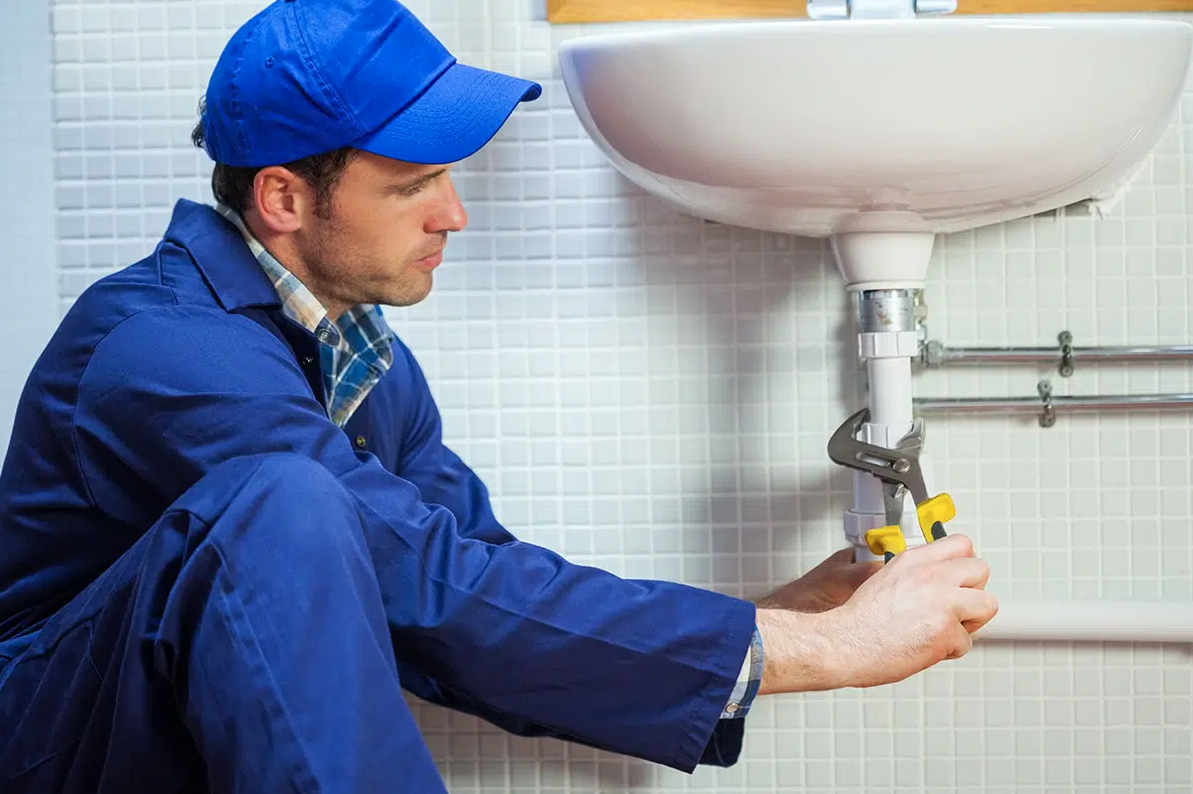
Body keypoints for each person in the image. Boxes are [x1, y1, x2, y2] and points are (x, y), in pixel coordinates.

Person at [0, 0, 998, 791]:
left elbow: (473, 593)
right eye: (412, 185)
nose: (454, 213)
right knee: (289, 502)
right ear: (284, 198)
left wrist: (763, 617)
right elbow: (427, 580)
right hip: (53, 742)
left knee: (319, 513)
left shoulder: (360, 356)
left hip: (166, 724)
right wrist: (823, 647)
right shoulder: (168, 349)